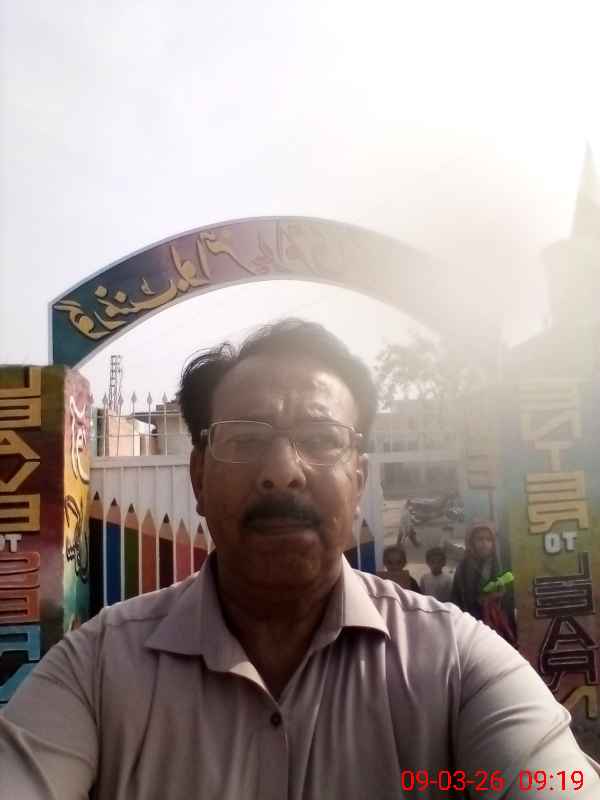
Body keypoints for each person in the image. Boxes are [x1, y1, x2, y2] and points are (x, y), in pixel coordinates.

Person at [1, 319, 598, 799]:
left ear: (358, 479)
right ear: (199, 477)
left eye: (320, 439)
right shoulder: (95, 671)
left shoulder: (457, 665)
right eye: (246, 439)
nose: (282, 471)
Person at [451, 520, 517, 645]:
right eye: (480, 539)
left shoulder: (498, 564)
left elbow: (509, 596)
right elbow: (457, 596)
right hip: (471, 622)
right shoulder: (464, 566)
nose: (484, 543)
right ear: (471, 542)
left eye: (488, 539)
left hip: (497, 621)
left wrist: (495, 596)